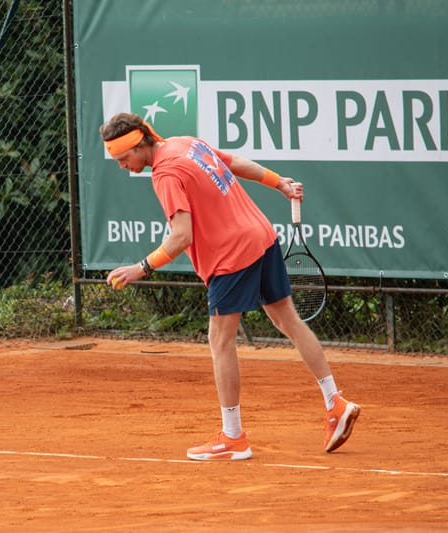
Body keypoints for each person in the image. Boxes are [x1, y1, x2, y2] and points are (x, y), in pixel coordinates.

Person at [100, 112, 360, 460]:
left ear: (138, 146)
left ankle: (233, 437)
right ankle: (335, 402)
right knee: (289, 322)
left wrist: (141, 267)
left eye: (123, 159)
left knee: (220, 341)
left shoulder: (164, 174)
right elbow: (234, 162)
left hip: (231, 256)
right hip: (261, 236)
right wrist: (278, 181)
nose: (122, 166)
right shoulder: (185, 143)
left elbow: (181, 237)